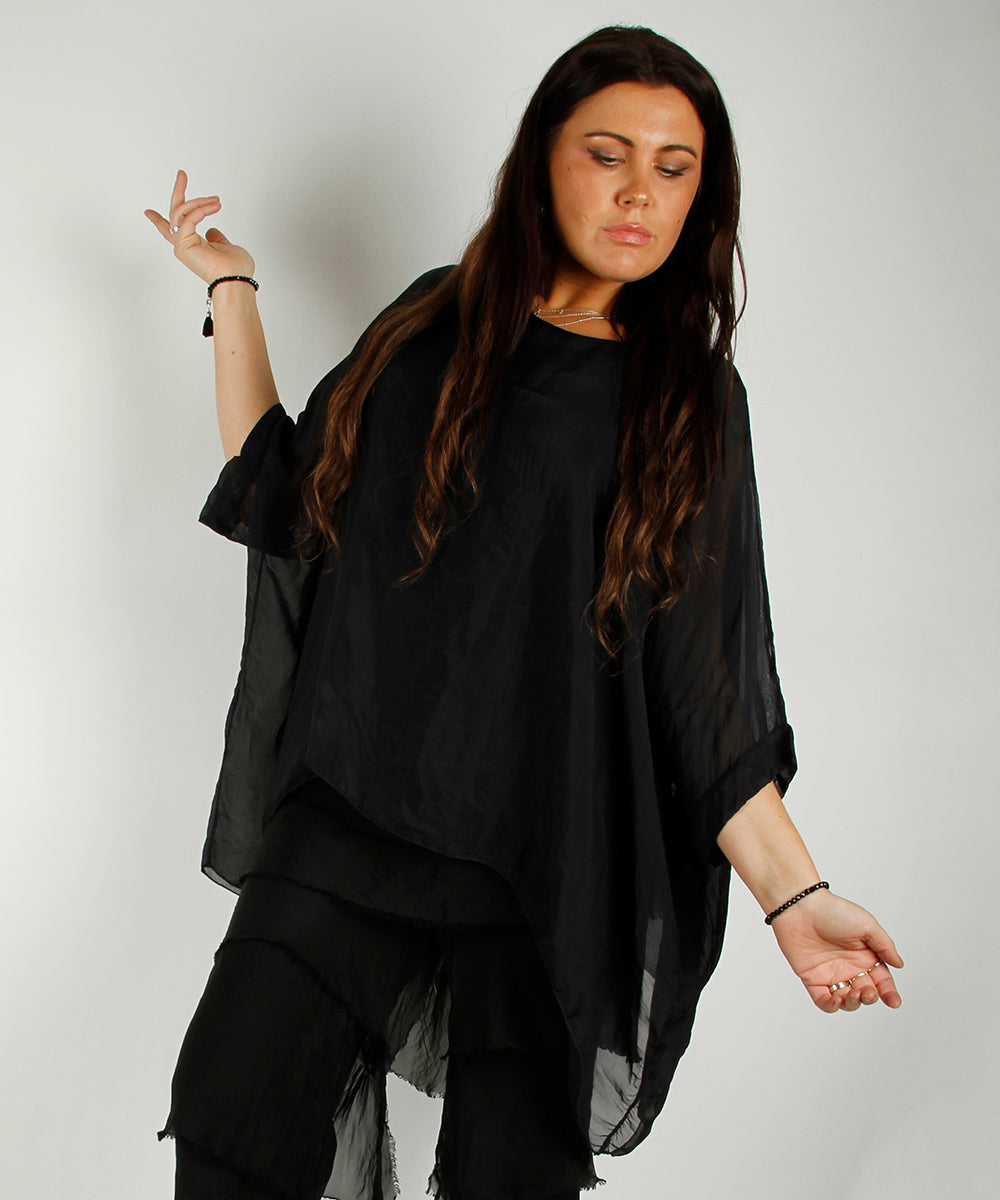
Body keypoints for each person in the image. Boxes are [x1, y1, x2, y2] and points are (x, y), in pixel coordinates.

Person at [145, 24, 903, 1200]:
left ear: (700, 196)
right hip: (356, 808)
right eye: (608, 153)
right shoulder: (428, 320)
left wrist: (794, 898)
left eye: (674, 167)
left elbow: (707, 695)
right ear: (544, 158)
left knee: (511, 1180)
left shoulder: (688, 400)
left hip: (545, 857)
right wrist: (231, 286)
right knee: (229, 1114)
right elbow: (291, 494)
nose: (639, 192)